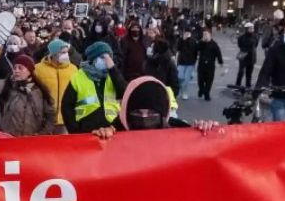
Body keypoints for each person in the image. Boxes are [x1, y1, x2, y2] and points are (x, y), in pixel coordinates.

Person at [91, 76, 220, 140]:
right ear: (126, 114)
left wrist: (206, 131)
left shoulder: (180, 131)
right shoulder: (114, 132)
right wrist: (102, 137)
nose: (144, 118)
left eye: (152, 113)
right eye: (137, 112)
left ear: (163, 114)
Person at [61, 42, 128, 135]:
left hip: (112, 128)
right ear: (93, 59)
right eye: (103, 57)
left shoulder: (112, 75)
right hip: (87, 129)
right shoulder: (79, 76)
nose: (106, 61)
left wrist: (113, 69)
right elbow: (66, 106)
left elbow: (125, 93)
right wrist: (75, 131)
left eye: (109, 57)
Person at [0, 55, 54, 136]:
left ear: (29, 71)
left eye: (20, 68)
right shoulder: (7, 87)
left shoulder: (40, 92)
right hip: (9, 137)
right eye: (15, 68)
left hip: (31, 139)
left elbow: (50, 116)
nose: (16, 71)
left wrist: (41, 134)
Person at [33, 39, 78, 135]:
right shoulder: (38, 69)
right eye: (63, 52)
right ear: (53, 53)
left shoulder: (73, 69)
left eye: (67, 52)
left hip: (65, 118)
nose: (66, 55)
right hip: (44, 118)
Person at [196, 29, 223, 101]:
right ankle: (201, 89)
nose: (205, 36)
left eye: (206, 34)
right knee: (200, 80)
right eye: (204, 35)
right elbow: (196, 49)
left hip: (210, 66)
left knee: (209, 81)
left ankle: (207, 94)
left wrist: (220, 62)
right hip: (201, 65)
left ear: (210, 35)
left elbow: (218, 53)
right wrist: (201, 41)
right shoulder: (201, 43)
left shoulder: (214, 44)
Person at [236, 23, 259, 88]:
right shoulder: (241, 37)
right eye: (250, 28)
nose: (252, 29)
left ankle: (248, 86)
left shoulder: (255, 36)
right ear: (246, 29)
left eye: (253, 28)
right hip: (243, 56)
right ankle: (238, 85)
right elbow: (239, 45)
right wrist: (244, 49)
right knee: (241, 72)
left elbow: (256, 45)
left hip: (252, 57)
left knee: (249, 73)